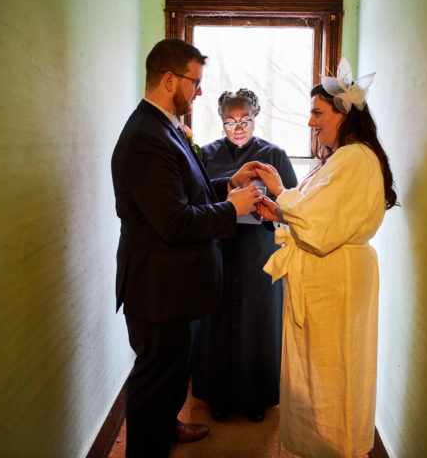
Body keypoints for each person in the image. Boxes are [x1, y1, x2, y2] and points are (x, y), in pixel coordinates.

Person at [111, 38, 264, 458]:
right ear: (168, 79)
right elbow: (175, 221)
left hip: (174, 287)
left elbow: (185, 192)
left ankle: (169, 427)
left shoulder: (165, 126)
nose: (198, 91)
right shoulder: (145, 137)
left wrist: (228, 184)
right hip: (157, 291)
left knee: (174, 375)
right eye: (193, 82)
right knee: (154, 382)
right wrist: (232, 209)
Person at [255, 58, 398, 458]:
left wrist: (279, 192)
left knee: (334, 374)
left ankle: (336, 448)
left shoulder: (354, 159)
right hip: (330, 276)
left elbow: (317, 222)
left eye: (317, 113)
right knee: (320, 372)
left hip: (336, 282)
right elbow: (317, 215)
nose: (310, 122)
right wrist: (279, 210)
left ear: (344, 115)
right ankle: (321, 445)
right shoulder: (341, 158)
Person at [191, 88, 298, 423]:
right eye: (230, 122)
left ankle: (257, 398)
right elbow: (195, 202)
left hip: (259, 251)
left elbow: (294, 204)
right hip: (219, 250)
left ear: (255, 117)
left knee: (258, 325)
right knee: (217, 325)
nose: (238, 129)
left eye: (245, 121)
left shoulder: (275, 155)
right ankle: (218, 397)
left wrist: (269, 208)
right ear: (221, 121)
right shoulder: (205, 155)